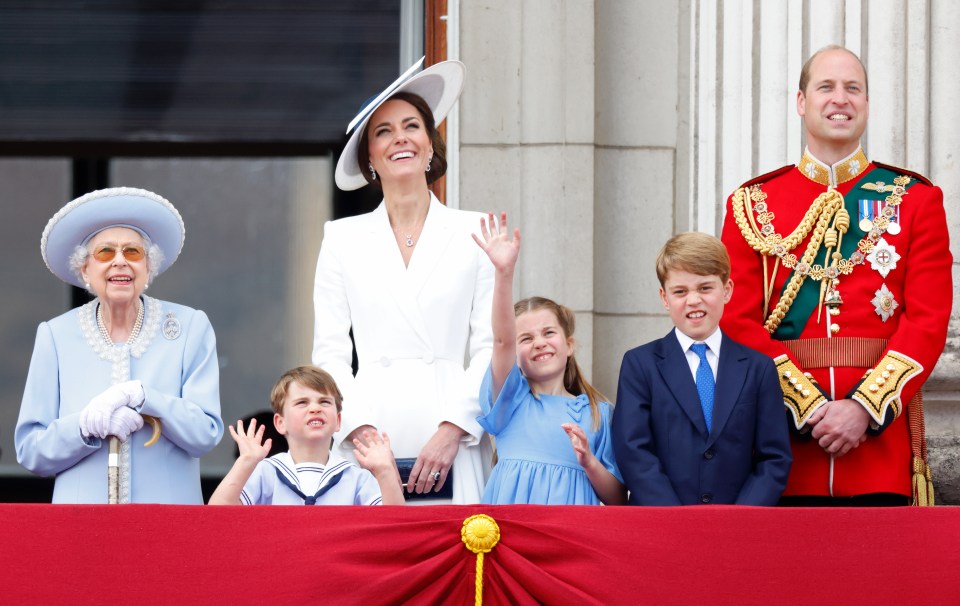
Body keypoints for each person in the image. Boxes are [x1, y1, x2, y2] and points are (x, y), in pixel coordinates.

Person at [719, 46, 952, 506]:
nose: (840, 99)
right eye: (826, 87)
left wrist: (864, 409)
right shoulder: (752, 203)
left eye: (853, 88)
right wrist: (807, 407)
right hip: (781, 453)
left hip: (878, 454)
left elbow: (927, 321)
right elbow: (735, 319)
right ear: (802, 101)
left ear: (866, 102)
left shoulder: (915, 200)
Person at [313, 59, 493, 503]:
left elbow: (492, 345)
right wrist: (361, 429)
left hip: (453, 431)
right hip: (371, 434)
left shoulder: (477, 231)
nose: (400, 139)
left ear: (430, 144)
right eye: (383, 131)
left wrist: (455, 428)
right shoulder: (341, 238)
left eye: (411, 126)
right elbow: (330, 351)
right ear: (370, 158)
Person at [16, 187, 223, 503]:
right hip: (81, 525)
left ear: (148, 268)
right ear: (85, 269)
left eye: (133, 252)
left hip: (168, 523)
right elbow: (31, 451)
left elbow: (204, 433)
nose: (120, 262)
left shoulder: (189, 327)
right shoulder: (55, 336)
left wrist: (145, 398)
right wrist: (84, 427)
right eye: (104, 253)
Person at [612, 232, 792, 506]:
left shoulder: (758, 368)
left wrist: (740, 517)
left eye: (705, 288)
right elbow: (633, 451)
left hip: (737, 527)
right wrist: (676, 520)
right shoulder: (640, 365)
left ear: (727, 290)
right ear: (664, 297)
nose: (693, 300)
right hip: (662, 524)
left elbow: (774, 458)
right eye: (680, 291)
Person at [472, 212, 625, 505]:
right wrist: (504, 273)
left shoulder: (598, 413)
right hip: (513, 533)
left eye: (548, 333)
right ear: (515, 355)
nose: (539, 343)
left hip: (571, 535)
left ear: (568, 345)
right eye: (526, 338)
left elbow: (618, 498)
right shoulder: (511, 401)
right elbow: (502, 340)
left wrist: (589, 462)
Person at [209, 366, 404, 506]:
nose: (315, 408)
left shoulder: (355, 477)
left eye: (324, 402)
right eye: (302, 402)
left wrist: (385, 472)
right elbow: (218, 512)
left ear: (338, 421)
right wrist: (246, 461)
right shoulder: (266, 472)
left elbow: (392, 525)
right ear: (280, 423)